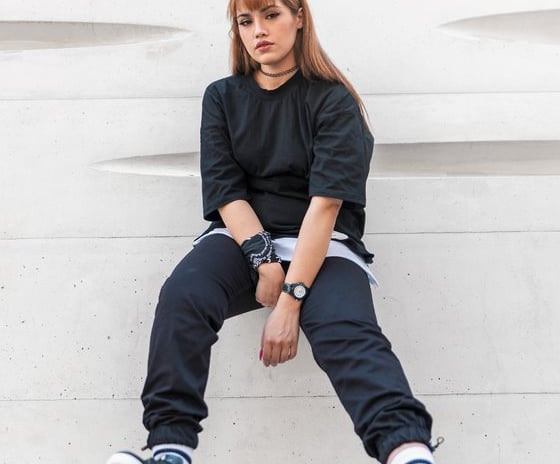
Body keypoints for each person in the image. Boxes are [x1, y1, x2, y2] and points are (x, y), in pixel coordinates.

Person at [107, 1, 441, 463]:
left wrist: (290, 300)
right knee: (183, 296)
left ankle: (407, 449)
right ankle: (170, 446)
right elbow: (226, 193)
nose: (258, 30)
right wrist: (262, 260)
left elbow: (325, 206)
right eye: (246, 21)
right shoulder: (222, 97)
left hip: (321, 244)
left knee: (347, 329)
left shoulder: (332, 99)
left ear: (299, 17)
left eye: (271, 15)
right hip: (241, 237)